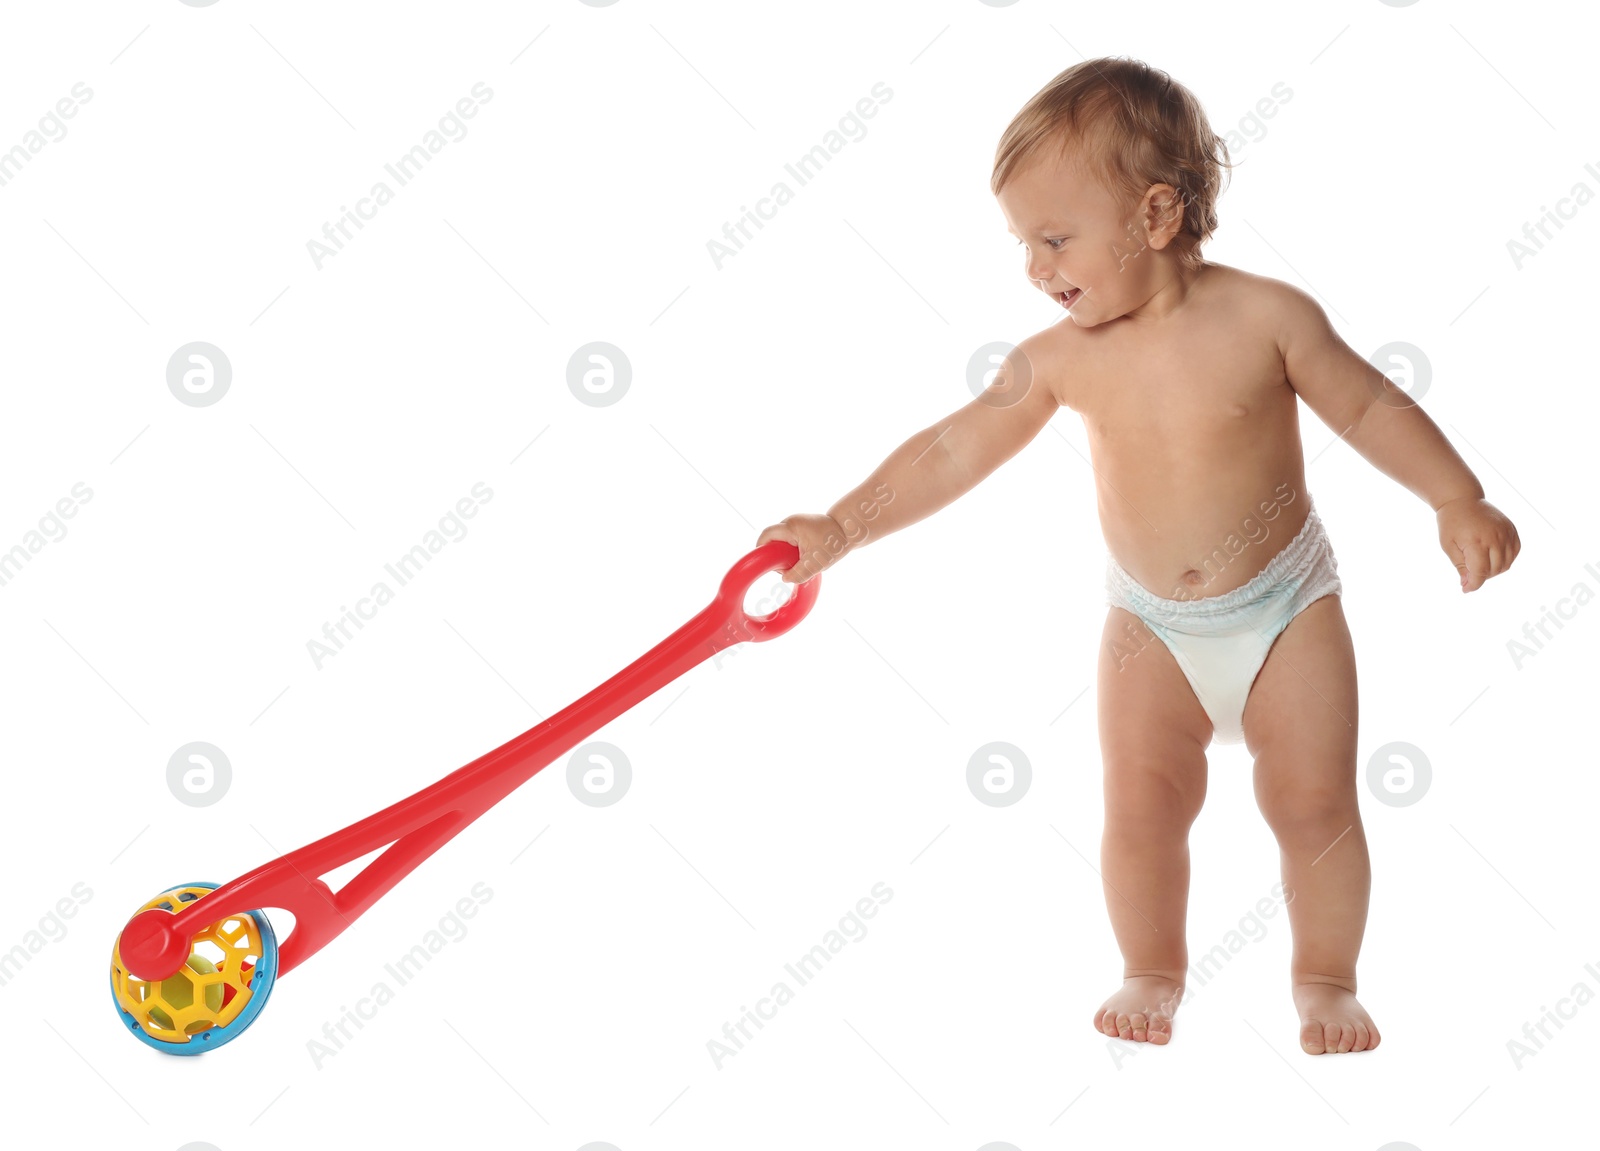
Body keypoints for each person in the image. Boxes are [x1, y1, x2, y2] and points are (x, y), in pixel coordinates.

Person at [754, 56, 1520, 1054]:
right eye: (1025, 243)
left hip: (1286, 606)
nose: (1036, 266)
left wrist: (1453, 495)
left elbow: (1370, 404)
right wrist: (843, 523)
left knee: (1314, 800)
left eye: (1055, 237)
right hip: (1149, 628)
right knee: (1141, 802)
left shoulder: (1267, 318)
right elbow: (952, 448)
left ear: (1154, 217)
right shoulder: (1061, 358)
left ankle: (1325, 978)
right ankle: (1150, 966)